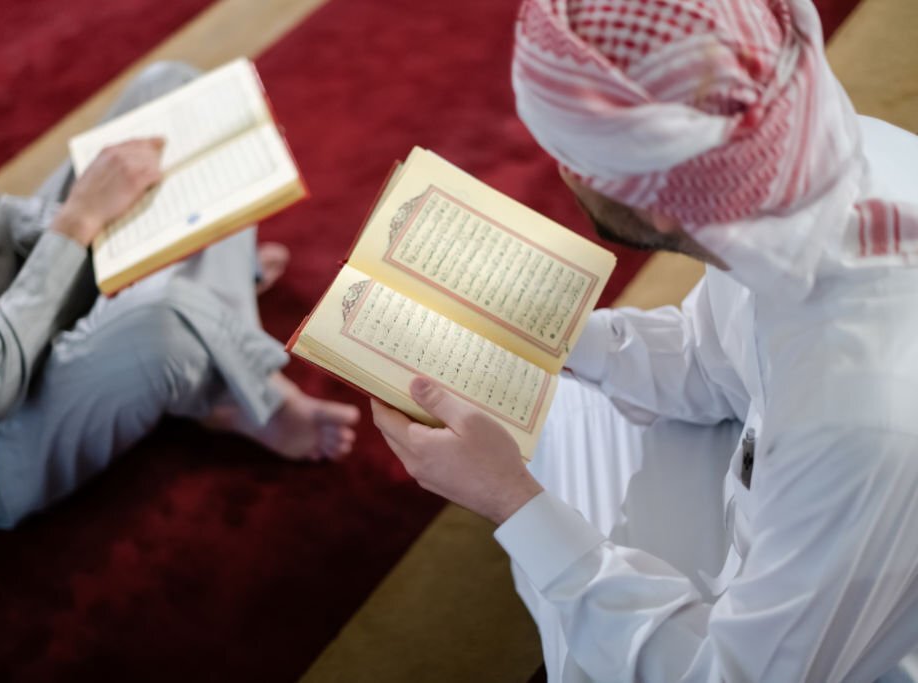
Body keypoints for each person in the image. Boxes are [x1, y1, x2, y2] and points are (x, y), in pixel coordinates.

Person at [372, 0, 918, 680]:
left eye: (564, 155)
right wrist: (551, 336)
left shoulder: (858, 415)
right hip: (773, 485)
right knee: (544, 402)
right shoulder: (790, 163)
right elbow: (713, 361)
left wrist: (510, 500)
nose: (560, 173)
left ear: (655, 200)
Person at [0, 0, 358, 530]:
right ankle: (246, 389)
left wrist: (108, 233)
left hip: (29, 290)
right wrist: (80, 223)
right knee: (163, 319)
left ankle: (206, 336)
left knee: (176, 93)